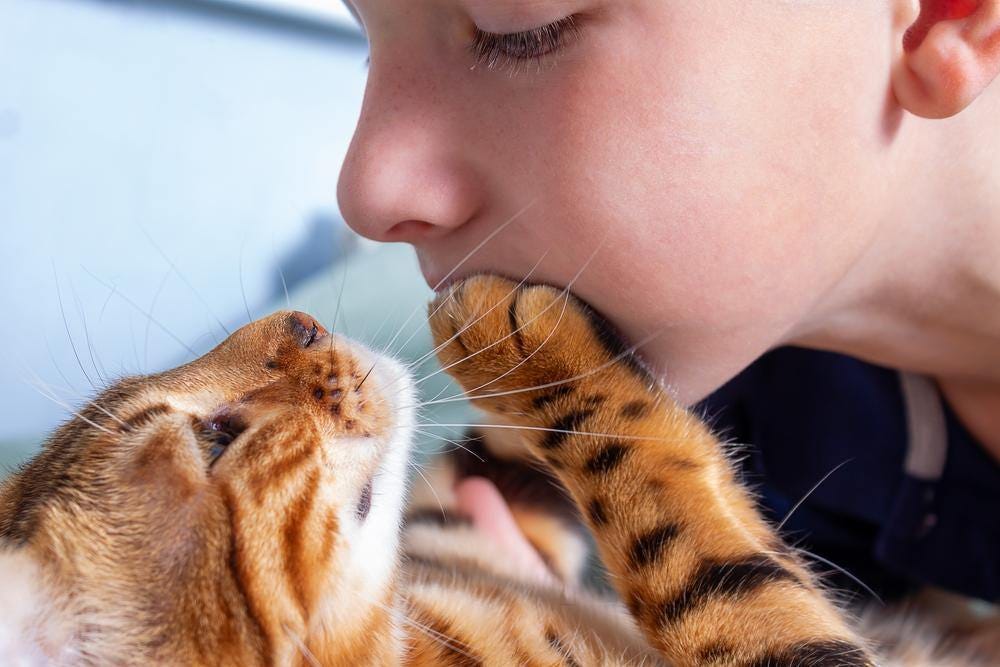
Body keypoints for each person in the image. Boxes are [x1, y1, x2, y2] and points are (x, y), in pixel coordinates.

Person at [335, 0, 1000, 604]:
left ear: (941, 15)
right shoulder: (740, 431)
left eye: (520, 35)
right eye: (367, 43)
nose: (366, 190)